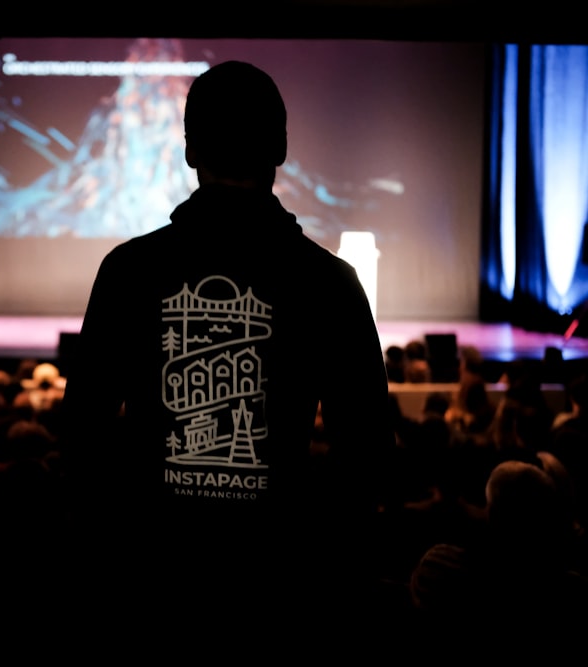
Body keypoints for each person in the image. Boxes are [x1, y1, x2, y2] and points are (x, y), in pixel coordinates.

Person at [60, 60, 394, 649]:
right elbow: (365, 458)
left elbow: (80, 438)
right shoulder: (331, 283)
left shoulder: (128, 272)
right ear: (282, 148)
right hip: (279, 593)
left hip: (151, 590)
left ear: (190, 151)